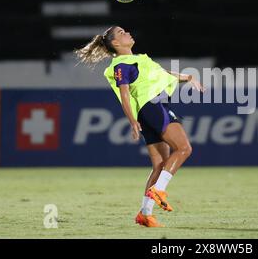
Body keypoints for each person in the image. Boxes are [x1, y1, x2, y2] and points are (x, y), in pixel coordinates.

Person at [75, 26, 205, 227]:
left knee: (160, 165)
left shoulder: (139, 60)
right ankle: (159, 190)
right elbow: (125, 93)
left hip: (149, 111)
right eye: (121, 32)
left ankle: (145, 213)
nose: (127, 33)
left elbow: (162, 73)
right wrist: (132, 120)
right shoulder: (121, 65)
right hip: (153, 106)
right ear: (116, 44)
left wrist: (187, 77)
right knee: (184, 148)